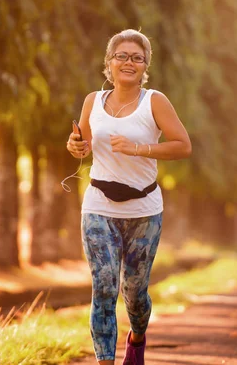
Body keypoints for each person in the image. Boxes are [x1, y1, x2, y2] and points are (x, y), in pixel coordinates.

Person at [66, 29, 191, 365]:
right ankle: (105, 360)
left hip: (144, 210)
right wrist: (76, 145)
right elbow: (83, 142)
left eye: (137, 57)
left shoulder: (155, 102)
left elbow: (183, 145)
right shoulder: (93, 100)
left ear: (145, 65)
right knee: (104, 286)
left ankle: (137, 338)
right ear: (109, 62)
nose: (128, 62)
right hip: (98, 205)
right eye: (121, 55)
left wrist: (140, 148)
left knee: (134, 294)